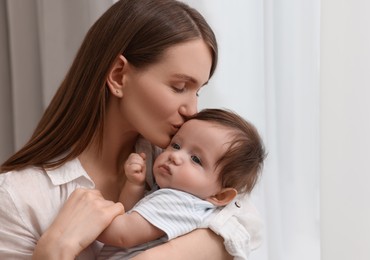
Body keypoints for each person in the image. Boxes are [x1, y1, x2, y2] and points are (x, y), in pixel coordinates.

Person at [0, 0, 262, 259]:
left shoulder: (179, 163)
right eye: (180, 87)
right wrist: (54, 250)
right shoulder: (18, 196)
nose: (192, 110)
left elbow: (248, 222)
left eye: (198, 91)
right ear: (117, 75)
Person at [97, 108, 266, 259]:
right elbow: (128, 215)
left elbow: (123, 233)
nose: (175, 156)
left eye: (195, 159)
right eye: (176, 145)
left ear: (220, 195)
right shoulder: (186, 203)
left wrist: (86, 222)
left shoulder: (177, 202)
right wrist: (135, 184)